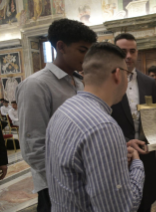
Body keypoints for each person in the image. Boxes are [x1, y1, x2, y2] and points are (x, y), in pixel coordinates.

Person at [46, 42, 145, 211]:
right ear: (118, 75)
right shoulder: (103, 127)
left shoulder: (63, 110)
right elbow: (121, 207)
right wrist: (137, 163)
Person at [16, 18, 97, 212]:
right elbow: (33, 146)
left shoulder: (79, 82)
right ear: (61, 46)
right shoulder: (36, 85)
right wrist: (63, 181)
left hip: (83, 179)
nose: (87, 58)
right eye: (82, 50)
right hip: (56, 186)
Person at [112, 33, 156, 212]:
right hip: (118, 155)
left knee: (144, 203)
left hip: (144, 154)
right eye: (123, 51)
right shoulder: (108, 81)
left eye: (132, 51)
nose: (128, 56)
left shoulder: (148, 82)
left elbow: (154, 118)